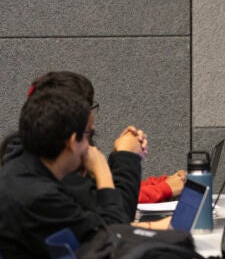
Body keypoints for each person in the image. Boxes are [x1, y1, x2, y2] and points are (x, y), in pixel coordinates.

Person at [0, 89, 145, 259]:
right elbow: (116, 241)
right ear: (71, 141)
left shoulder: (20, 172)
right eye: (88, 135)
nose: (90, 147)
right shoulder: (39, 196)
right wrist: (103, 171)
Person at [0, 71, 146, 221]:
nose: (88, 147)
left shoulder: (21, 159)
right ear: (71, 139)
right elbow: (114, 229)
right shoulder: (50, 192)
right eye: (85, 133)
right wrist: (122, 159)